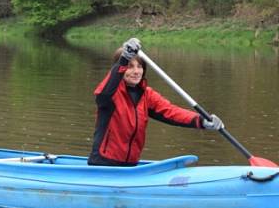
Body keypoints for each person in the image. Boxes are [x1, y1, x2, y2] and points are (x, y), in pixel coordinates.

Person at [88, 37, 223, 166]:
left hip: (131, 166)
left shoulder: (147, 95)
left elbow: (172, 112)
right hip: (104, 164)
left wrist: (202, 121)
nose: (136, 71)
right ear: (121, 69)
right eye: (130, 67)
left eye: (139, 67)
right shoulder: (110, 93)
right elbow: (103, 93)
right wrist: (124, 58)